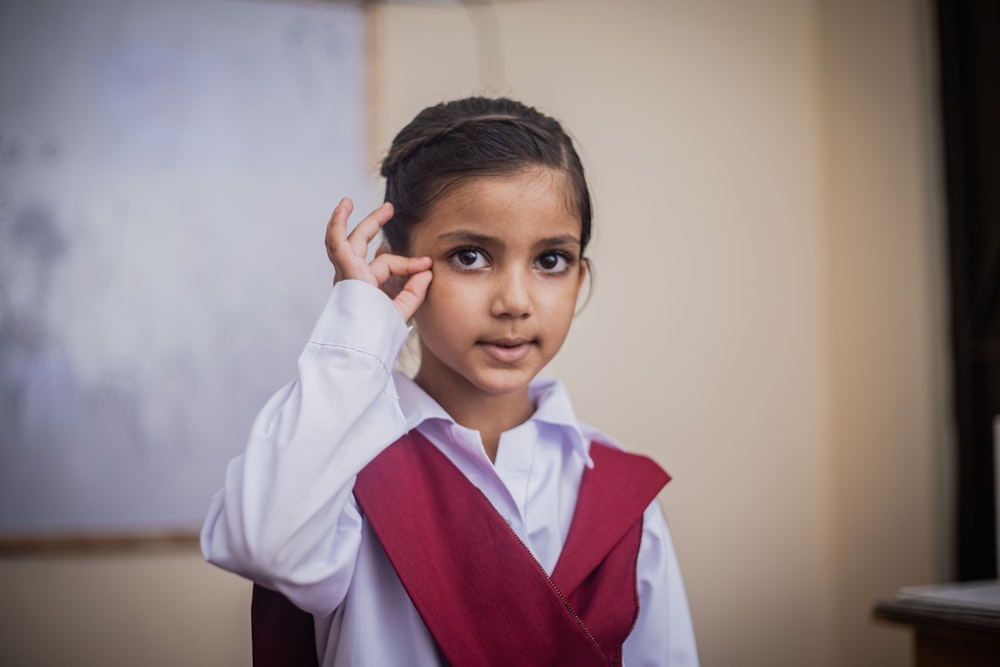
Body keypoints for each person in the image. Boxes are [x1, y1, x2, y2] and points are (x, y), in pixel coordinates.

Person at [201, 96, 699, 666]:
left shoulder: (623, 499)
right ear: (398, 271)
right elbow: (263, 542)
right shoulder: (341, 474)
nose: (515, 302)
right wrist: (362, 320)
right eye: (470, 256)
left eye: (551, 260)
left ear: (579, 277)